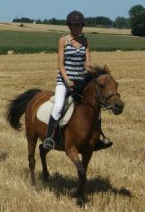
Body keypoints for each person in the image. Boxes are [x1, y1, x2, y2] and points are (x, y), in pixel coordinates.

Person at [42, 10, 113, 151]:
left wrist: (97, 73)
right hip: (64, 81)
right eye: (74, 25)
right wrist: (67, 80)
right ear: (69, 26)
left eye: (79, 25)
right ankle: (49, 138)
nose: (77, 27)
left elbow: (88, 63)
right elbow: (60, 64)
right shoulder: (63, 40)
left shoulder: (85, 41)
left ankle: (98, 137)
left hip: (81, 82)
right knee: (58, 107)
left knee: (96, 107)